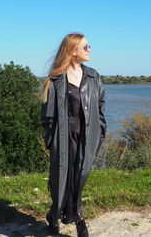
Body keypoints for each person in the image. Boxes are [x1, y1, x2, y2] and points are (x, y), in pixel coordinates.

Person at [41, 32, 107, 237]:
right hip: (63, 138)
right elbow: (47, 115)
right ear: (73, 51)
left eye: (89, 46)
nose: (90, 50)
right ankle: (56, 214)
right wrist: (51, 139)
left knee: (80, 177)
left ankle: (76, 214)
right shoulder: (57, 78)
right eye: (86, 47)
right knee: (61, 178)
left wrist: (101, 131)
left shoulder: (93, 76)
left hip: (87, 137)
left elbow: (100, 105)